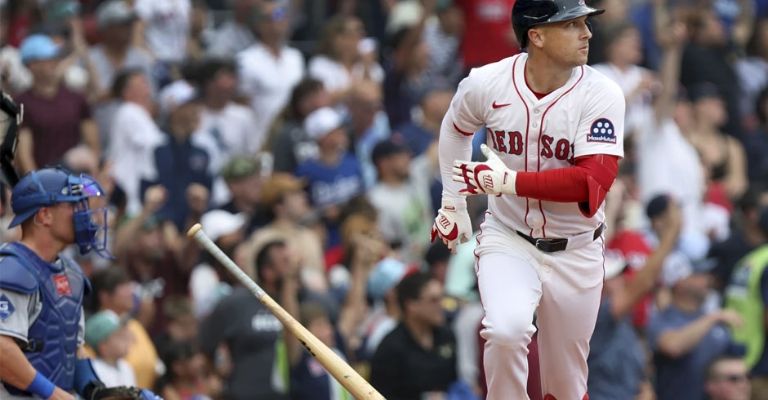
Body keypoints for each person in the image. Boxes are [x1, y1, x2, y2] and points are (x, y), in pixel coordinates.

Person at [430, 1, 625, 398]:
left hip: (577, 249)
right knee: (506, 331)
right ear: (536, 35)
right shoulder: (487, 82)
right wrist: (451, 203)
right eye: (572, 24)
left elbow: (592, 182)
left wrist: (510, 182)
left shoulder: (601, 93)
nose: (587, 34)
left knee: (566, 387)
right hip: (510, 236)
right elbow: (455, 128)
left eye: (585, 23)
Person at [0, 168, 159, 399]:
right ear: (44, 215)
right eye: (74, 205)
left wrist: (94, 390)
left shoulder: (71, 273)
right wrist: (54, 394)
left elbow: (71, 347)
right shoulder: (11, 270)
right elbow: (2, 350)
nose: (86, 214)